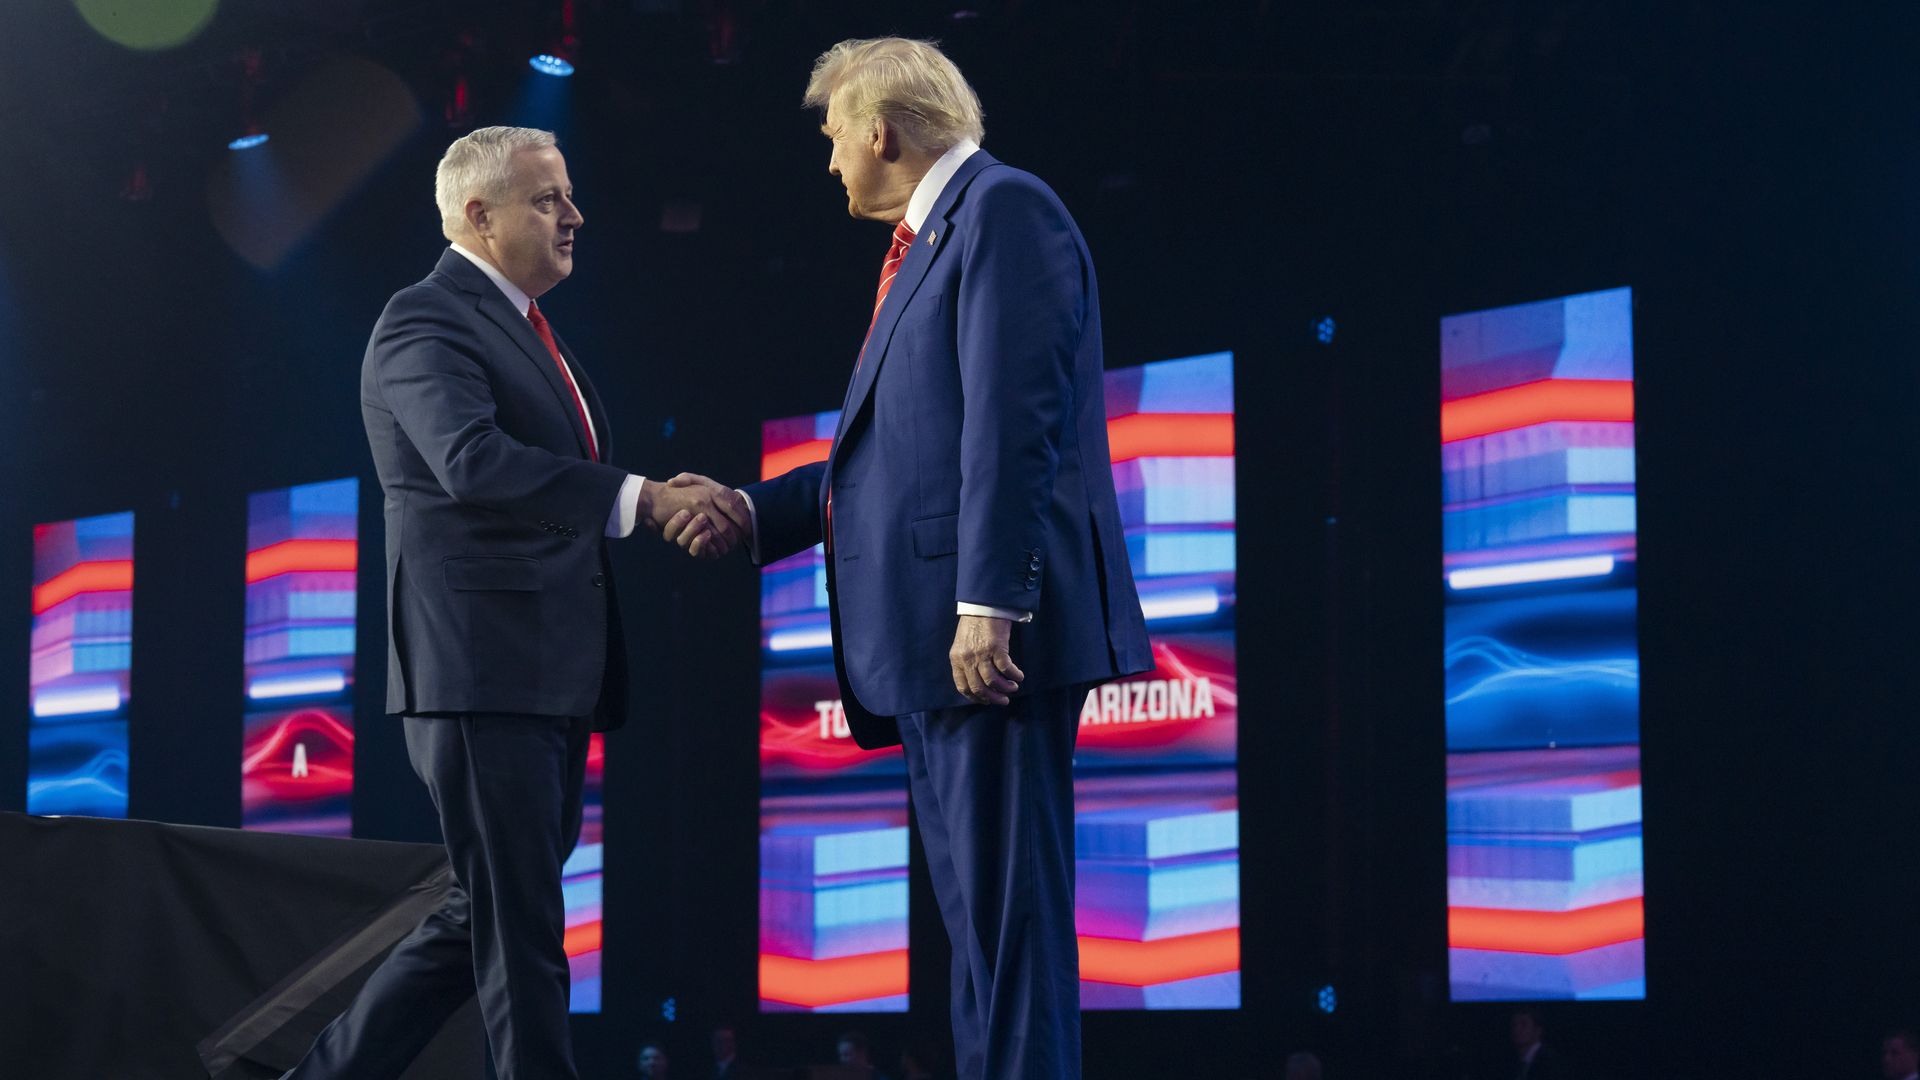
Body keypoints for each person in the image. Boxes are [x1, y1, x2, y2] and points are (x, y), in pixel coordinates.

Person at [667, 37, 1151, 1080]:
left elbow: (1018, 421)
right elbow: (889, 460)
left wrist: (992, 602)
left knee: (1011, 937)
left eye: (834, 133)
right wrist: (753, 511)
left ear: (882, 127)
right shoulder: (932, 242)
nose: (830, 158)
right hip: (934, 648)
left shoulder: (1005, 211)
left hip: (983, 644)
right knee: (982, 945)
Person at [281, 126, 747, 1080]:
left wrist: (656, 494)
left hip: (542, 670)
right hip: (482, 666)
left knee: (482, 912)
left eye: (569, 195)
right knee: (522, 922)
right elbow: (472, 462)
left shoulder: (524, 324)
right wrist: (646, 499)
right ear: (479, 216)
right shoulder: (424, 320)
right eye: (547, 200)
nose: (574, 215)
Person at [1510, 1007, 1562, 1080]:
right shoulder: (1513, 1063)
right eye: (1514, 1025)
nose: (1516, 1029)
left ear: (1538, 1030)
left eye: (1523, 1024)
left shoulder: (1551, 1063)